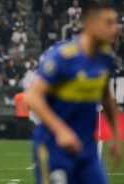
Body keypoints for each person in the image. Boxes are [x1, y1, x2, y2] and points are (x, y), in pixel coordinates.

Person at [27, 1, 121, 184]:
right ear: (91, 25)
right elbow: (33, 97)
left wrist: (116, 137)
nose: (115, 28)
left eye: (115, 22)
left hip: (87, 150)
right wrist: (62, 131)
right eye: (109, 22)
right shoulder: (62, 57)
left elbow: (106, 97)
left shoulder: (105, 57)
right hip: (54, 148)